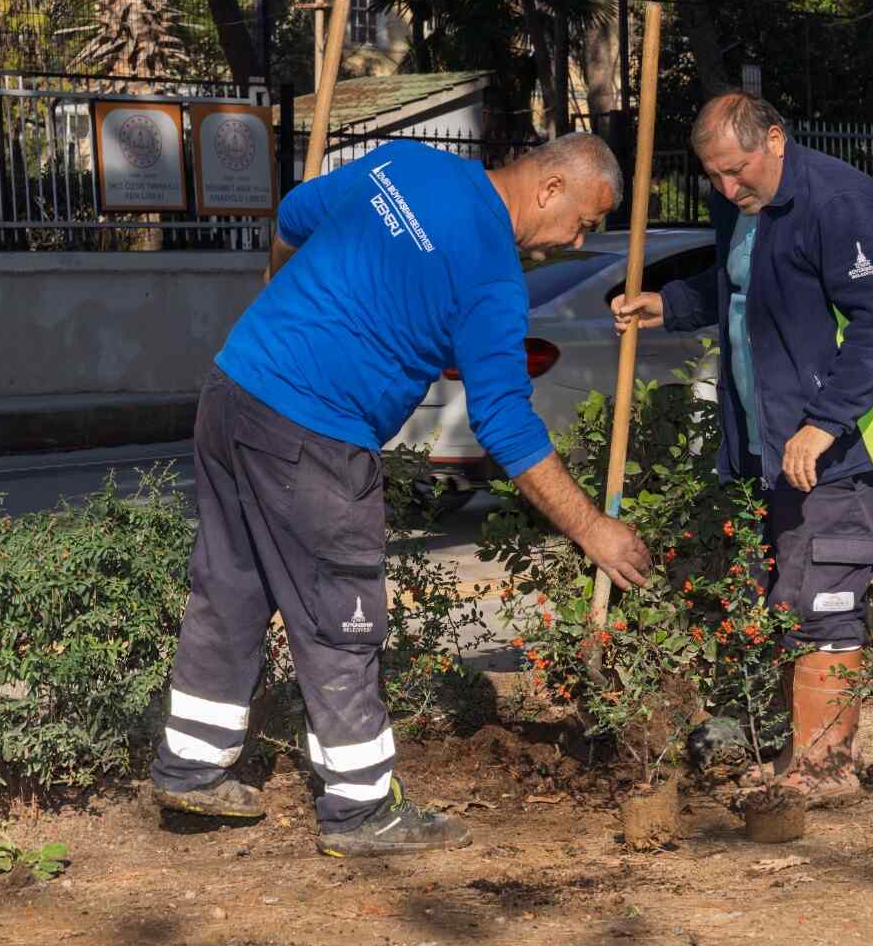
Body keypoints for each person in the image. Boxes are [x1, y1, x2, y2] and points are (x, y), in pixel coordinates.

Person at [153, 134, 652, 856]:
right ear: (550, 187)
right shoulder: (491, 275)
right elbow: (504, 422)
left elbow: (294, 216)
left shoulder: (410, 163)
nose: (576, 238)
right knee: (342, 615)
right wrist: (592, 529)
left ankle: (192, 766)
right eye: (583, 219)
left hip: (235, 387)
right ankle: (359, 811)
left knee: (230, 584)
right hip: (315, 433)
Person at [612, 92, 873, 807]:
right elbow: (740, 287)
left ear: (775, 139)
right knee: (791, 594)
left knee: (827, 593)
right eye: (714, 176)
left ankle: (826, 767)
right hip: (776, 443)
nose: (727, 188)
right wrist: (669, 305)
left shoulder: (841, 202)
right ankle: (802, 755)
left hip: (840, 446)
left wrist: (825, 421)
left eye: (737, 170)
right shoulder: (740, 207)